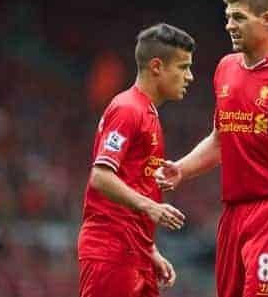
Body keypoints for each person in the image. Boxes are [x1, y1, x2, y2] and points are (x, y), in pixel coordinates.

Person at [156, 0, 268, 297]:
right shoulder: (226, 68)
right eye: (228, 17)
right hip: (232, 216)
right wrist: (181, 169)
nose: (229, 25)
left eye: (239, 17)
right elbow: (220, 139)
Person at [77, 23, 194, 297]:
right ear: (156, 66)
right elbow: (101, 177)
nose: (189, 76)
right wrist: (151, 207)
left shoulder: (148, 113)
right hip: (111, 251)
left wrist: (149, 249)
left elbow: (133, 182)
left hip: (135, 252)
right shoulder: (127, 109)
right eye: (182, 67)